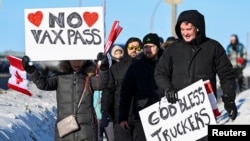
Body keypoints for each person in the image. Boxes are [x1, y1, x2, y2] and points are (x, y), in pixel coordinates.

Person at [154, 10, 238, 141]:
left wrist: (229, 99)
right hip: (177, 112)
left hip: (203, 112)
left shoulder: (213, 47)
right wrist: (167, 88)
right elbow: (160, 73)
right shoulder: (172, 49)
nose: (185, 33)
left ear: (197, 28)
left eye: (188, 29)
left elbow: (226, 74)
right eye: (182, 29)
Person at [22, 52, 109, 141]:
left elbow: (102, 82)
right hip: (66, 131)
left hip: (87, 131)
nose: (76, 63)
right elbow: (43, 84)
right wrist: (31, 70)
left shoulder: (89, 78)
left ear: (84, 60)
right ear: (68, 60)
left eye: (79, 60)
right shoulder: (59, 78)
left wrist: (104, 67)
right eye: (73, 60)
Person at [118, 33, 162, 141]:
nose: (148, 49)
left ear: (158, 47)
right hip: (142, 115)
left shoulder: (165, 64)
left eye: (151, 46)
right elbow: (126, 92)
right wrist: (123, 117)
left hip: (164, 114)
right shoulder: (136, 67)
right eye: (146, 47)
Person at [100, 37, 143, 141]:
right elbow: (109, 90)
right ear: (127, 48)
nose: (134, 50)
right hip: (122, 116)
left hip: (142, 117)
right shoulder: (116, 68)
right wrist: (105, 110)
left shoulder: (147, 67)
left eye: (137, 48)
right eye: (131, 47)